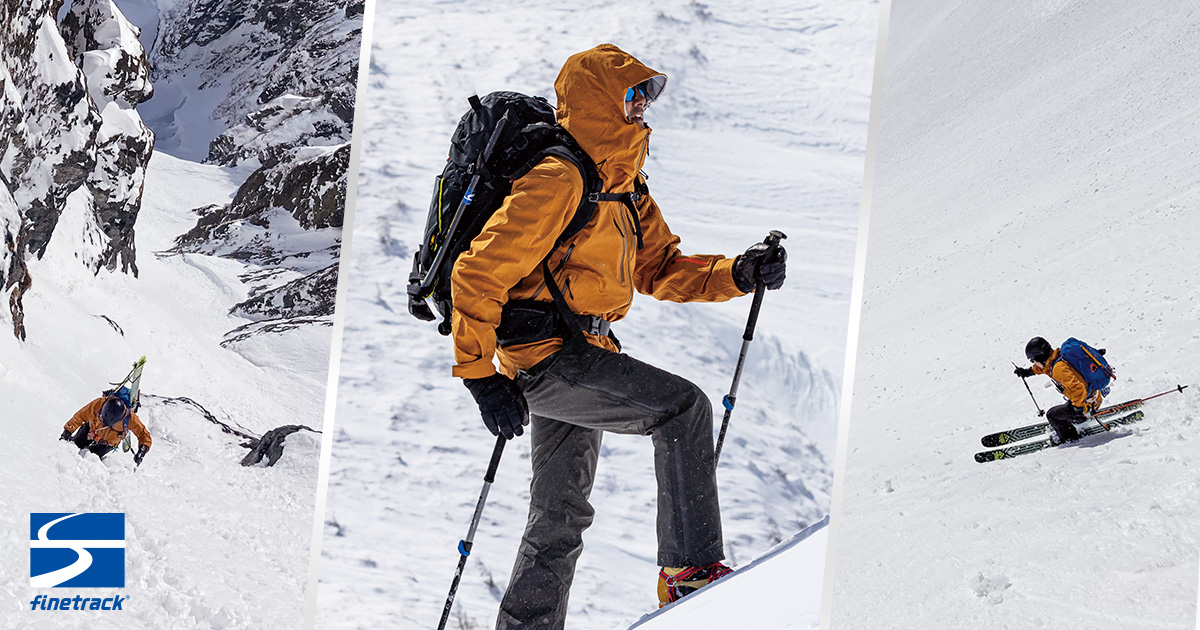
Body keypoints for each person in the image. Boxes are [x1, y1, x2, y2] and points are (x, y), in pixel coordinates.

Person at [450, 44, 786, 628]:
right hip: (547, 358)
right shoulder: (559, 178)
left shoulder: (625, 185)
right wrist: (480, 378)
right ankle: (690, 572)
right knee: (682, 410)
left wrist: (739, 272)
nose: (642, 105)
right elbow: (477, 273)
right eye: (632, 93)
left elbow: (661, 268)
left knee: (558, 515)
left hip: (585, 352)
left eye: (648, 93)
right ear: (597, 99)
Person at [1014, 336, 1104, 445]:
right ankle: (1074, 418)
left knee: (1052, 415)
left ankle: (1070, 439)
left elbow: (1078, 389)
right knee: (1065, 409)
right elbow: (1044, 368)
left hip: (1087, 403)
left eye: (1033, 360)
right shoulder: (1058, 357)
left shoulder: (1058, 369)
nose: (1034, 363)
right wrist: (1028, 372)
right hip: (1092, 395)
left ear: (1039, 358)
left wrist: (1078, 410)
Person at [60, 395, 151, 465]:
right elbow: (80, 416)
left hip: (106, 443)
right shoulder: (99, 404)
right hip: (91, 430)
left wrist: (142, 451)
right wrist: (68, 431)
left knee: (89, 458)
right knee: (75, 447)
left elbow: (144, 434)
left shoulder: (130, 418)